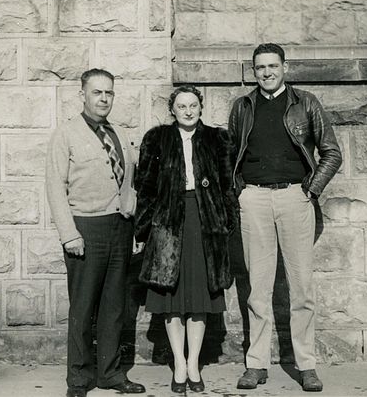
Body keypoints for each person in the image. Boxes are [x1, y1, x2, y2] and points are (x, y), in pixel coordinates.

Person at [228, 43, 342, 392]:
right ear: (253, 71)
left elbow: (332, 153)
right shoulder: (243, 107)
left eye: (273, 66)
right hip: (255, 201)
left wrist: (311, 190)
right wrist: (240, 191)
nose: (266, 72)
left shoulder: (305, 103)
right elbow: (229, 153)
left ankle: (306, 365)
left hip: (295, 196)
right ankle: (256, 364)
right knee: (257, 289)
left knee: (302, 288)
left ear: (285, 67)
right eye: (260, 67)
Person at [46, 69, 146, 397]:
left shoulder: (118, 132)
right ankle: (78, 379)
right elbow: (55, 187)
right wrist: (69, 234)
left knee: (114, 308)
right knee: (83, 308)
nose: (104, 99)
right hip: (85, 229)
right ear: (83, 95)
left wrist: (132, 222)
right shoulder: (66, 134)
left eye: (109, 93)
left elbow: (130, 181)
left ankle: (110, 373)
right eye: (97, 93)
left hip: (119, 228)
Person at [134, 85, 238, 394]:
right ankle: (178, 362)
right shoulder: (157, 139)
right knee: (173, 300)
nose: (188, 111)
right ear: (173, 110)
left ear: (201, 108)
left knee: (199, 298)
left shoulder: (217, 139)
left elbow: (227, 184)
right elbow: (146, 186)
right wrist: (143, 229)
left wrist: (227, 221)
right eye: (182, 106)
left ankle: (194, 363)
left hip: (204, 222)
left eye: (193, 105)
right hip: (168, 223)